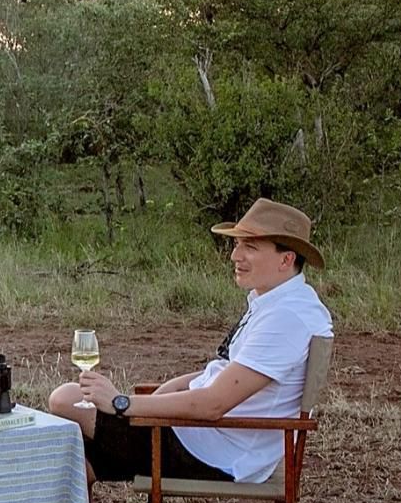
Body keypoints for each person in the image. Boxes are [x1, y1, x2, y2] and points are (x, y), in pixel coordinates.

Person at [47, 197, 333, 487]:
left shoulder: (286, 318)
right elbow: (233, 372)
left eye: (251, 247)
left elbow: (212, 406)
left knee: (66, 400)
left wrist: (122, 403)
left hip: (212, 452)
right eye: (237, 245)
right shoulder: (278, 302)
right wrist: (168, 389)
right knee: (74, 456)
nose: (235, 256)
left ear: (286, 259)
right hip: (202, 435)